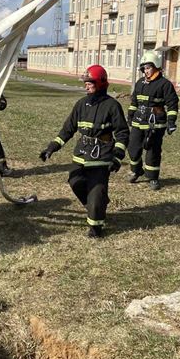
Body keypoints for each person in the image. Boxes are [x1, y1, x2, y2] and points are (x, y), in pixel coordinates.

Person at [39, 65, 129, 238]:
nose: (86, 86)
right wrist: (52, 147)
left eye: (90, 83)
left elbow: (123, 133)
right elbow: (68, 129)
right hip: (81, 154)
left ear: (101, 83)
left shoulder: (112, 105)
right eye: (86, 82)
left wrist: (117, 157)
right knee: (75, 181)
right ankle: (98, 205)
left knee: (96, 192)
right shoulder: (81, 104)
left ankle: (96, 227)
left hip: (101, 156)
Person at [126, 51, 179, 190]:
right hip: (138, 122)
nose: (146, 71)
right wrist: (130, 115)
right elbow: (134, 101)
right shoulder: (139, 83)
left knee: (153, 151)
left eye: (148, 67)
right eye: (144, 68)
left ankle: (153, 178)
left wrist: (172, 121)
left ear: (156, 67)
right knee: (133, 148)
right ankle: (136, 170)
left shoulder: (164, 84)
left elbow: (172, 104)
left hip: (156, 123)